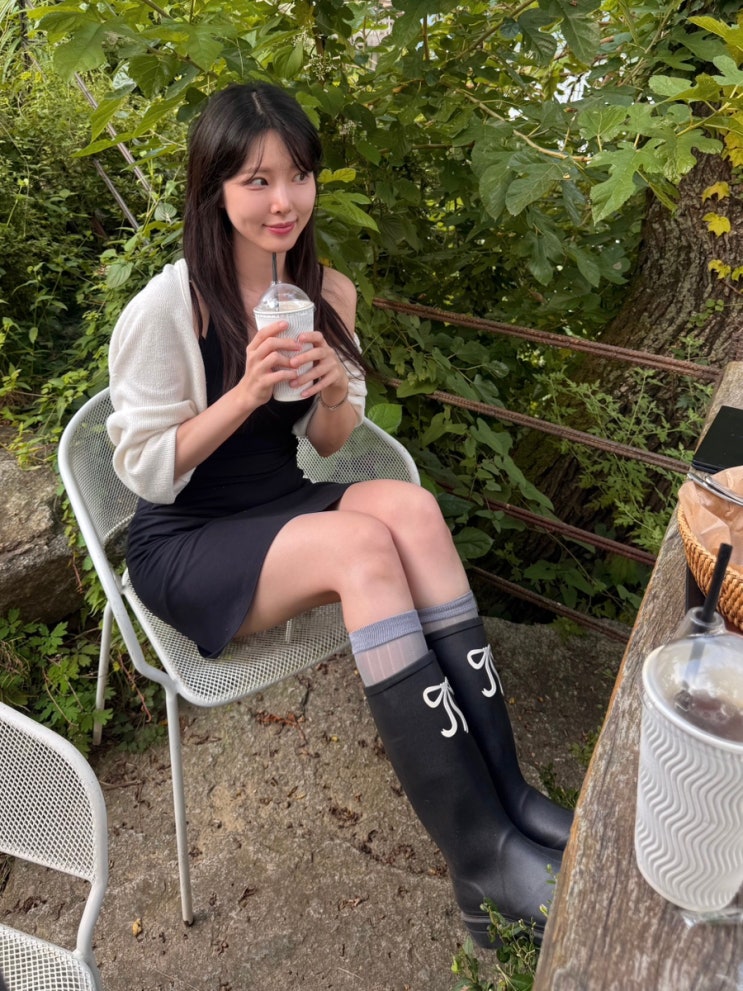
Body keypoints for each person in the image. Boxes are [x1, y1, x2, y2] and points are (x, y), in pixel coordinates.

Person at [106, 81, 572, 947]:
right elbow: (146, 471)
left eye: (298, 175)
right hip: (186, 536)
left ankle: (508, 798)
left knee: (412, 510)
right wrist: (245, 392)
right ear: (213, 189)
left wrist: (329, 391)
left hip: (279, 501)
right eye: (255, 180)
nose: (282, 200)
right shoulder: (169, 308)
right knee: (362, 546)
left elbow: (326, 442)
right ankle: (481, 861)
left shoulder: (327, 292)